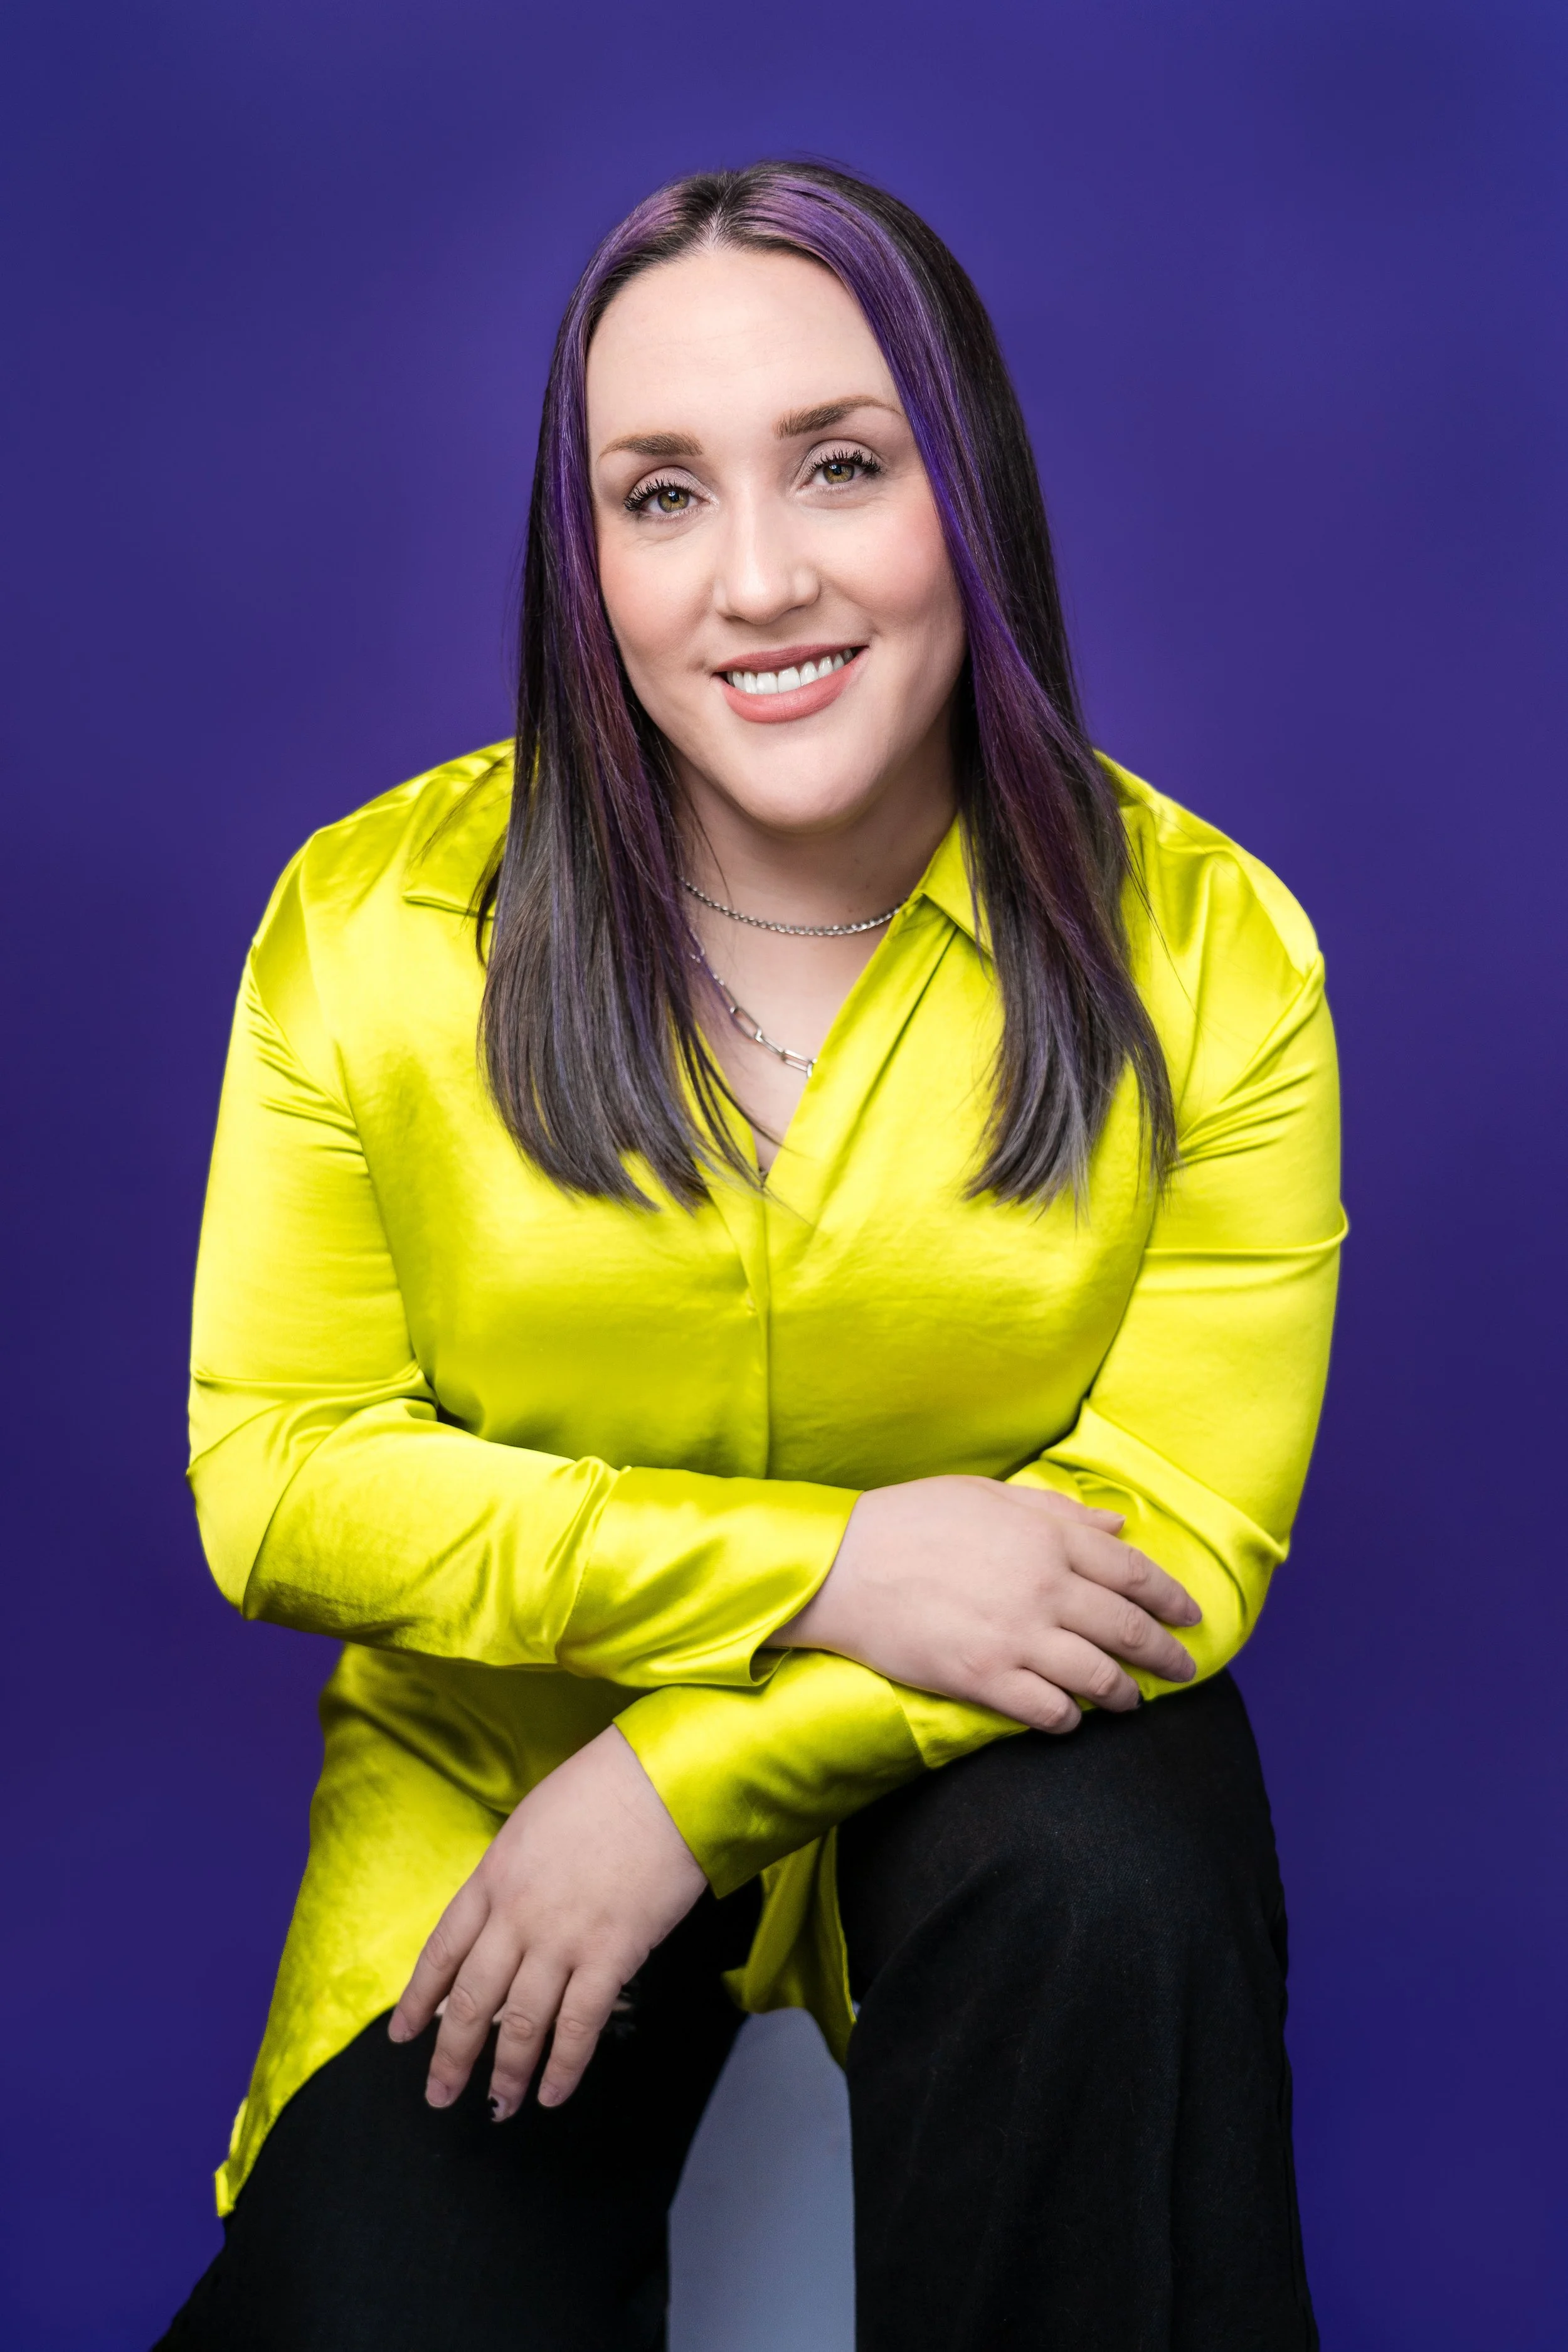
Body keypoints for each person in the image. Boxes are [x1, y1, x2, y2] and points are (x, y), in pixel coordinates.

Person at [157, 162, 1342, 2351]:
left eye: (837, 464)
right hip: (510, 1774)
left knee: (1113, 1860)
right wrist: (819, 1568)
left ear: (959, 486)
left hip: (1001, 1745)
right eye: (662, 495)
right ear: (580, 555)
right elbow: (285, 1471)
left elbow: (1165, 1530)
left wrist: (684, 1778)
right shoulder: (374, 930)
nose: (761, 578)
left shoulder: (1211, 952)